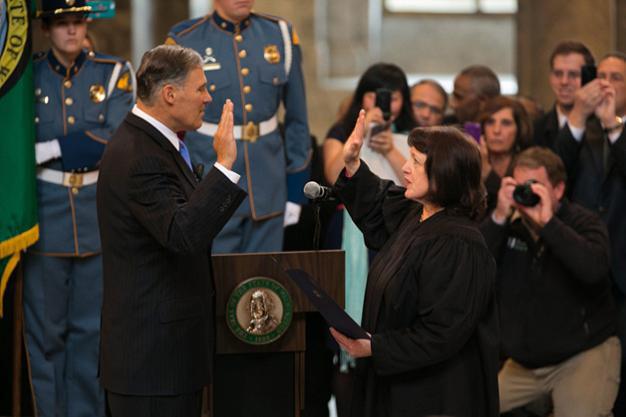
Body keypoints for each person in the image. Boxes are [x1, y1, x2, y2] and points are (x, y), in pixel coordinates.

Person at [97, 45, 246, 417]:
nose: (208, 97)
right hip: (152, 365)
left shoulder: (156, 144)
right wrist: (224, 165)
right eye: (201, 88)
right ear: (169, 94)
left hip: (165, 360)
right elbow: (185, 235)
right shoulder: (141, 156)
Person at [330, 117, 500, 417]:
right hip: (400, 384)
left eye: (417, 162)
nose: (405, 168)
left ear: (445, 174)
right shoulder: (417, 215)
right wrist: (354, 162)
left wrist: (376, 347)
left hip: (436, 396)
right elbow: (377, 201)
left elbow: (441, 333)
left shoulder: (459, 244)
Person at [23, 1, 134, 416]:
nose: (71, 30)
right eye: (61, 23)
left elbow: (115, 137)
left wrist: (51, 148)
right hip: (46, 220)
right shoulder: (28, 77)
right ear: (46, 28)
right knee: (46, 336)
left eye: (78, 21)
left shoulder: (113, 72)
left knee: (91, 334)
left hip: (94, 216)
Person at [480, 147, 620, 417]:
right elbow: (472, 267)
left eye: (534, 186)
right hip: (524, 363)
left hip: (582, 355)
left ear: (557, 190)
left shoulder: (584, 222)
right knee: (471, 406)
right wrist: (498, 216)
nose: (526, 193)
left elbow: (593, 270)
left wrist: (548, 224)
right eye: (520, 186)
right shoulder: (507, 223)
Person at [166, 0, 311, 254]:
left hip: (269, 183)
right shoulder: (184, 39)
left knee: (266, 283)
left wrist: (297, 184)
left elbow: (298, 119)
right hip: (211, 180)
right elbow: (172, 124)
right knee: (219, 283)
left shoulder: (280, 34)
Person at [552, 51, 626, 415]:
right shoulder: (574, 129)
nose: (606, 84)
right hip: (578, 267)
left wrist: (614, 125)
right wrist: (580, 116)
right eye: (600, 76)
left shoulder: (617, 128)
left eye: (617, 78)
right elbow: (553, 175)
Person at [533, 41, 595, 148]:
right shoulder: (535, 130)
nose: (564, 82)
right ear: (550, 78)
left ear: (589, 78)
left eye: (573, 74)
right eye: (558, 74)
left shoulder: (603, 127)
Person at [479, 96, 533, 214]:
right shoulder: (471, 163)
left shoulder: (528, 166)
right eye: (490, 122)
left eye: (506, 123)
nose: (496, 130)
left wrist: (488, 174)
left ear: (519, 130)